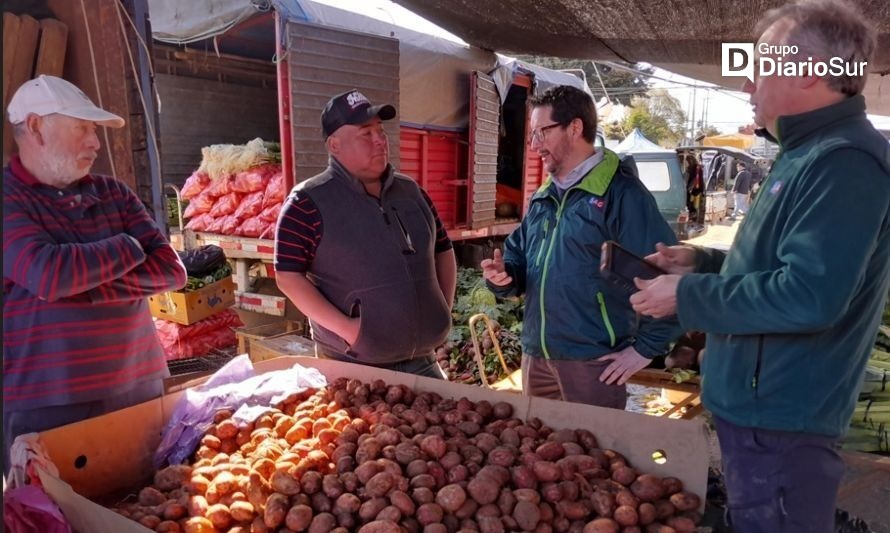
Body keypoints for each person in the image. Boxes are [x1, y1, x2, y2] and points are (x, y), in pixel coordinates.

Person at [629, 1, 889, 531]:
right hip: (760, 410)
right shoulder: (804, 153)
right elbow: (775, 263)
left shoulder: (842, 161)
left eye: (762, 65)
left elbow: (810, 295)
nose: (749, 85)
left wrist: (687, 295)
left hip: (781, 418)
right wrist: (700, 258)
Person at [3, 75, 187, 470]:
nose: (95, 142)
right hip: (48, 400)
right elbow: (48, 274)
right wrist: (129, 246)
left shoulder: (113, 191)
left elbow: (171, 270)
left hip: (138, 384)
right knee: (54, 514)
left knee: (147, 500)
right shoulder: (6, 197)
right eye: (82, 128)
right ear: (35, 127)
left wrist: (82, 289)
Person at [481, 85, 681, 409]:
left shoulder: (623, 195)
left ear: (575, 128)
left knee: (594, 456)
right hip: (537, 356)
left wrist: (645, 348)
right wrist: (504, 276)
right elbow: (517, 255)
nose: (534, 146)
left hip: (593, 362)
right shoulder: (544, 196)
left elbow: (667, 274)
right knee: (536, 450)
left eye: (541, 133)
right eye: (532, 135)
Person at [274, 89, 456, 379]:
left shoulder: (412, 192)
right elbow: (287, 276)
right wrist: (349, 329)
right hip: (353, 367)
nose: (380, 140)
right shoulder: (307, 202)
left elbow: (443, 250)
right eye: (365, 133)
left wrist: (441, 310)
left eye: (380, 131)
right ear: (334, 144)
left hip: (424, 361)